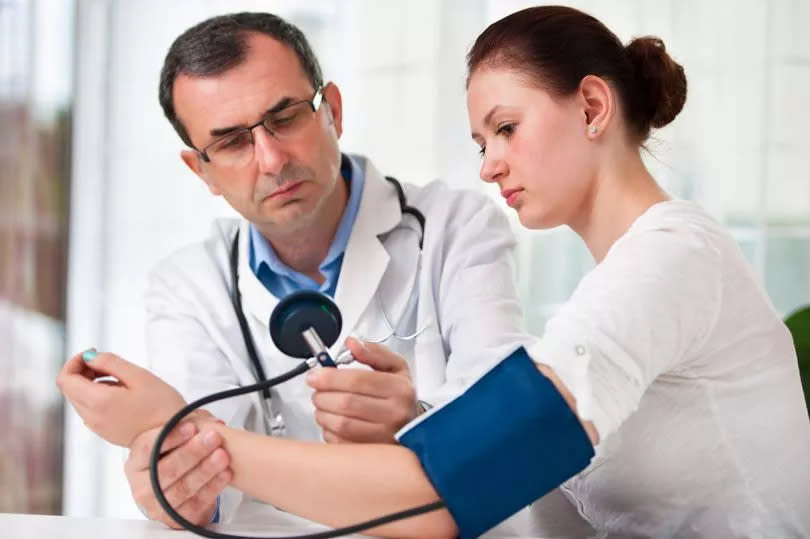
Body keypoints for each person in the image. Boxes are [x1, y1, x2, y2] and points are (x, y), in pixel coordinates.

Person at [58, 5, 810, 539]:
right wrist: (173, 471)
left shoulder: (671, 258)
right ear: (200, 165)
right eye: (481, 139)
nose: (488, 165)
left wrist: (180, 433)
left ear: (591, 105)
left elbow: (455, 488)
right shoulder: (630, 270)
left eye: (506, 128)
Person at [108, 10, 541, 531]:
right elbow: (202, 473)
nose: (270, 159)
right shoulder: (187, 287)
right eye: (231, 142)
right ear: (202, 170)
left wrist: (417, 422)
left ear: (332, 110)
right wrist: (180, 486)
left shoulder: (457, 229)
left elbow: (507, 437)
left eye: (286, 117)